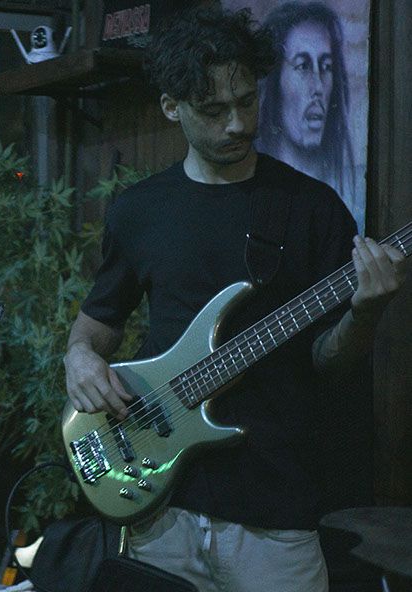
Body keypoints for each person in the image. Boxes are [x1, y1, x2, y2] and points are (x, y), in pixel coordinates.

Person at [63, 7, 405, 592]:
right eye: (213, 109)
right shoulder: (140, 210)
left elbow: (329, 362)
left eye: (247, 101)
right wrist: (79, 357)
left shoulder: (312, 208)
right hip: (160, 510)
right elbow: (99, 321)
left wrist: (367, 311)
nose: (237, 123)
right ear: (171, 106)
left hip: (275, 512)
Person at [255, 2, 357, 221]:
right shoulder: (252, 188)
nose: (318, 87)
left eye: (326, 67)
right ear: (274, 81)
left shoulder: (349, 193)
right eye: (303, 66)